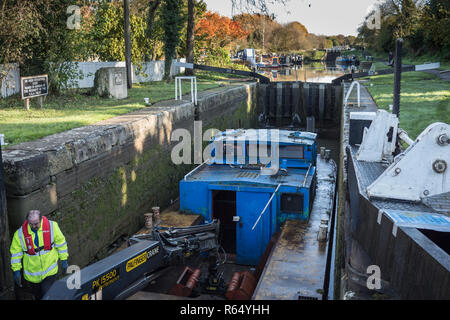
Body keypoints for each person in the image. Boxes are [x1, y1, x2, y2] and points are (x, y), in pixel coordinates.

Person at [10, 210, 69, 299]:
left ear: (41, 220)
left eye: (36, 224)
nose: (33, 226)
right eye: (31, 224)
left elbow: (61, 244)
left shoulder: (52, 226)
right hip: (32, 274)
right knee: (38, 296)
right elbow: (15, 254)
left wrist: (64, 260)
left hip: (49, 270)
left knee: (47, 295)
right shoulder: (19, 234)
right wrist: (16, 271)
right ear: (27, 221)